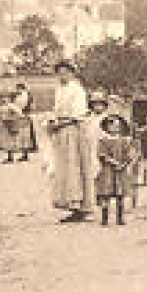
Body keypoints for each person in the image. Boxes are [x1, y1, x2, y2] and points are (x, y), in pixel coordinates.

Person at [45, 60, 97, 221]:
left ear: (72, 73)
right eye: (59, 72)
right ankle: (71, 205)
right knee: (64, 169)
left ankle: (81, 206)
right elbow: (56, 111)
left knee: (75, 167)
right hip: (62, 130)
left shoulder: (77, 90)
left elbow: (77, 115)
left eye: (65, 72)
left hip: (75, 131)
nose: (62, 75)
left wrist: (60, 124)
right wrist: (52, 123)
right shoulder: (60, 89)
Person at [96, 113, 139, 226]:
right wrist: (114, 162)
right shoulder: (103, 140)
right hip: (108, 170)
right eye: (111, 126)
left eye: (117, 126)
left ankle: (120, 218)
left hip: (121, 171)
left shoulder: (125, 140)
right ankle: (104, 218)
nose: (114, 128)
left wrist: (124, 163)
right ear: (106, 127)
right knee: (106, 194)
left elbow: (130, 154)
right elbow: (101, 154)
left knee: (120, 195)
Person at [0, 83, 39, 163]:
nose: (17, 90)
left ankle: (15, 156)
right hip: (21, 116)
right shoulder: (22, 96)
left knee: (17, 137)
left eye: (18, 89)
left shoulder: (24, 96)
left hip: (20, 117)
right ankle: (22, 155)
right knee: (22, 137)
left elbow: (28, 107)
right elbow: (32, 107)